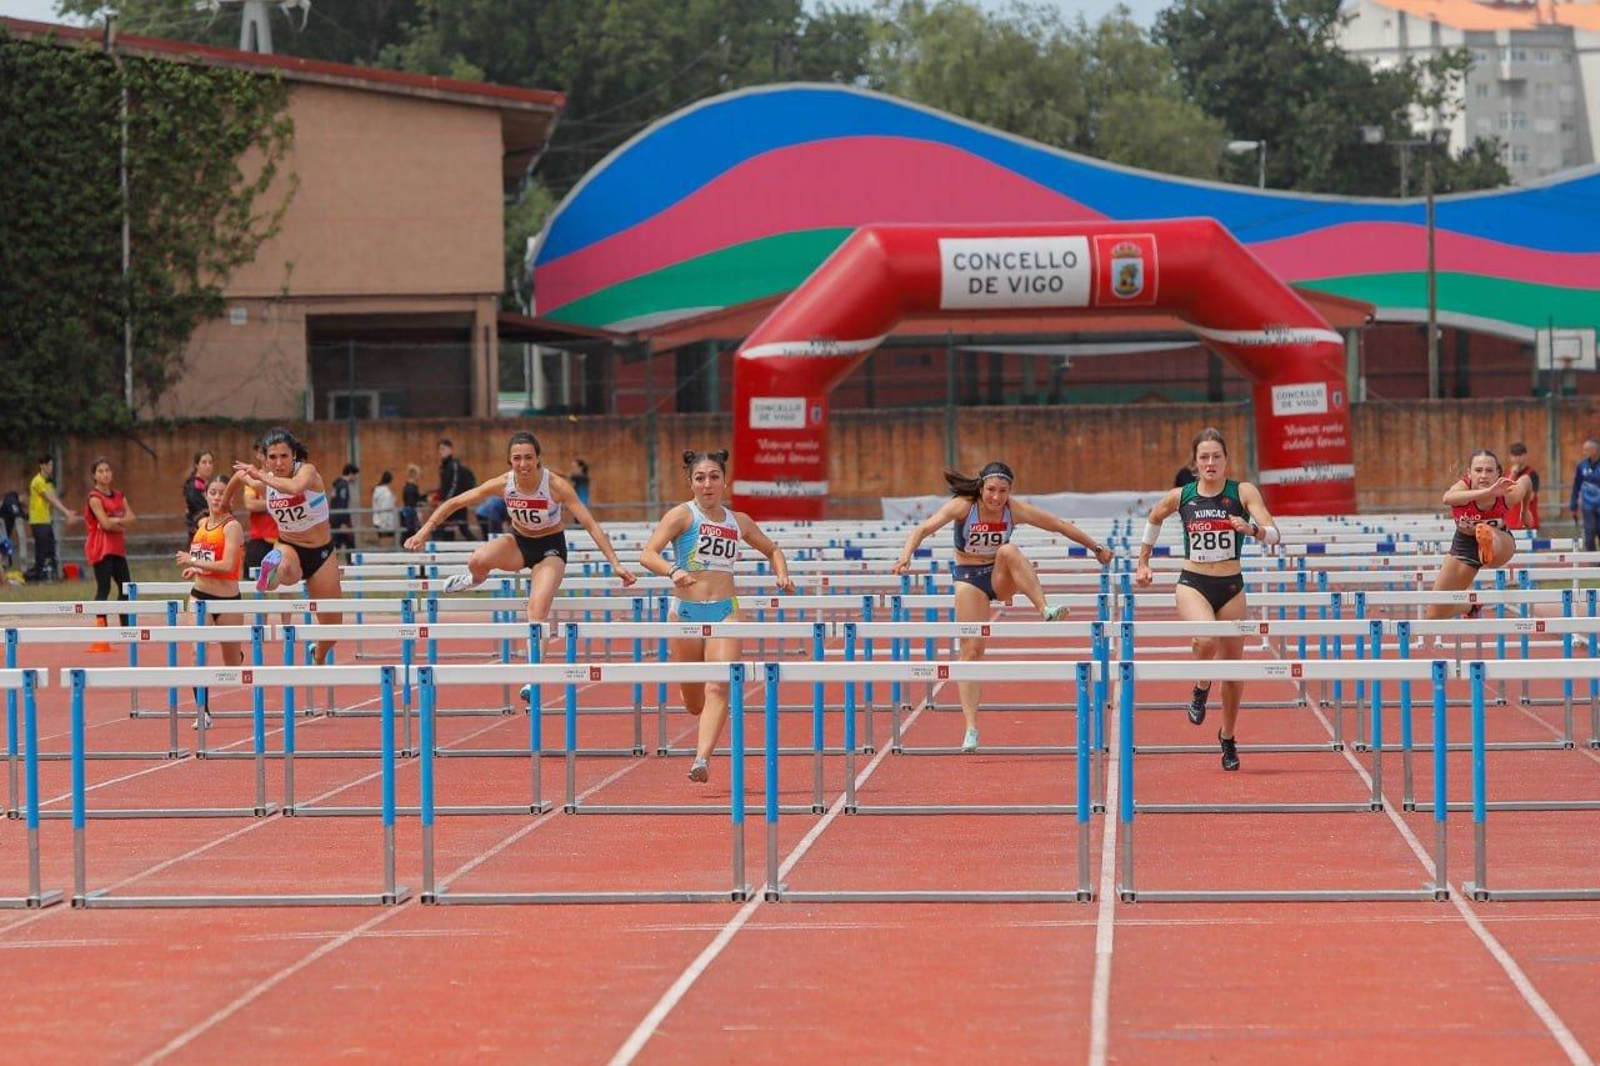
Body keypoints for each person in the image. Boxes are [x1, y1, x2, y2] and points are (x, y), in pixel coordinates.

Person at [890, 461, 1114, 753]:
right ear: (981, 488)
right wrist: (906, 555)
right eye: (991, 490)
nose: (996, 498)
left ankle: (1045, 608)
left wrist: (1096, 548)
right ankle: (971, 727)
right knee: (971, 652)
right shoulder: (963, 506)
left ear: (1010, 491)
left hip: (999, 577)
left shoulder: (1014, 510)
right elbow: (924, 527)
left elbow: (1059, 526)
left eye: (1003, 491)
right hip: (969, 578)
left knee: (1008, 550)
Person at [405, 430, 636, 654]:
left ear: (537, 459)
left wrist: (615, 563)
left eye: (528, 457)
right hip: (519, 542)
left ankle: (532, 679)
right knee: (477, 559)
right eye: (517, 458)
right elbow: (455, 502)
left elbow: (591, 525)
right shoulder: (504, 484)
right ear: (509, 460)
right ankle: (473, 580)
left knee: (536, 612)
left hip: (550, 549)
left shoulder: (556, 486)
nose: (523, 464)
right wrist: (424, 531)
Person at [640, 450, 793, 783]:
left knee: (718, 689)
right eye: (699, 478)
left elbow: (772, 549)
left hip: (726, 612)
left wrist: (781, 574)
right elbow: (647, 554)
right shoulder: (682, 516)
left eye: (713, 477)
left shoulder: (739, 522)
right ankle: (700, 710)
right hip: (686, 614)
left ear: (726, 482)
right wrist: (673, 570)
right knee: (694, 702)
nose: (707, 484)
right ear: (691, 483)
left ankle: (701, 759)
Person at [1134, 428, 1280, 772]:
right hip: (1193, 581)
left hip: (1231, 587)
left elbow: (1274, 533)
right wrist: (1143, 561)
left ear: (1226, 460)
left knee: (1232, 672)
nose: (1211, 463)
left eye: (1216, 456)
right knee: (1205, 638)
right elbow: (1153, 518)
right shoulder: (1181, 496)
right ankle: (1201, 686)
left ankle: (1227, 736)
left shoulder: (1242, 492)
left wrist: (1253, 530)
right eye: (1204, 457)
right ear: (1195, 463)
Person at [227, 427, 344, 665]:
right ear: (265, 458)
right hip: (289, 545)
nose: (278, 463)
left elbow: (294, 488)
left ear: (294, 456)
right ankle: (273, 571)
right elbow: (239, 476)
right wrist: (225, 504)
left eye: (283, 456)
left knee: (333, 628)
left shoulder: (307, 472)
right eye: (272, 457)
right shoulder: (264, 480)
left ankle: (318, 654)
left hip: (321, 553)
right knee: (287, 569)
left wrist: (262, 477)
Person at [1418, 450, 1527, 637]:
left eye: (1489, 470)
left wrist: (1524, 512)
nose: (1483, 475)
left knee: (1487, 534)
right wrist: (1488, 491)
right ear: (1470, 473)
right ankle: (1471, 606)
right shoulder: (1462, 487)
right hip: (1465, 545)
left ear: (1498, 474)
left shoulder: (1508, 493)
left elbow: (1527, 482)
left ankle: (1488, 544)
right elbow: (1446, 498)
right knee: (1434, 615)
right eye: (1478, 470)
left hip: (1500, 540)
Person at [176, 474, 245, 728]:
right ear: (206, 495)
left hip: (227, 600)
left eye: (222, 492)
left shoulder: (232, 527)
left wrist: (193, 562)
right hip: (199, 596)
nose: (217, 497)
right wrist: (196, 570)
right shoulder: (203, 524)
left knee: (232, 667)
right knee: (197, 653)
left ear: (230, 498)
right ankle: (202, 711)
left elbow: (227, 564)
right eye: (213, 492)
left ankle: (237, 653)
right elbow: (205, 557)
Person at [84, 458, 135, 625]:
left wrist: (113, 521)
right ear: (94, 475)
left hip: (117, 547)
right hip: (101, 548)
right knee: (104, 588)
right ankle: (101, 629)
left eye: (107, 470)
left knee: (126, 587)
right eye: (100, 471)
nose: (105, 474)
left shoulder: (119, 495)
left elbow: (132, 519)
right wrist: (119, 522)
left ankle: (125, 627)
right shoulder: (94, 497)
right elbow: (104, 524)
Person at [27, 455, 77, 581]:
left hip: (46, 520)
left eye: (51, 465)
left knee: (51, 549)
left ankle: (51, 575)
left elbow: (54, 498)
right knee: (41, 550)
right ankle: (38, 577)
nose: (50, 468)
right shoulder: (37, 481)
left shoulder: (48, 482)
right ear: (41, 465)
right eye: (48, 465)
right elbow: (51, 499)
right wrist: (66, 512)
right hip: (38, 521)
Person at [240, 441, 279, 578]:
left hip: (283, 540)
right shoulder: (253, 478)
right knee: (258, 588)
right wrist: (278, 503)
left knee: (286, 587)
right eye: (266, 453)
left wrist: (264, 503)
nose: (270, 458)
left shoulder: (282, 477)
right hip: (260, 539)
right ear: (258, 455)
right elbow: (250, 504)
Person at [434, 439, 476, 541]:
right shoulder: (443, 467)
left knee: (441, 525)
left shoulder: (454, 465)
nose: (441, 451)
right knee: (459, 528)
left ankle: (479, 548)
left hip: (456, 503)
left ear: (451, 450)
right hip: (452, 503)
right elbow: (445, 486)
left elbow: (454, 484)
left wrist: (446, 501)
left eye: (443, 449)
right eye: (440, 449)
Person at [1569, 439, 1600, 551]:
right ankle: (1593, 563)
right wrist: (1573, 505)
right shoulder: (1582, 466)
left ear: (1595, 450)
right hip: (1588, 507)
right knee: (1590, 534)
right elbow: (1576, 486)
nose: (1584, 452)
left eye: (1586, 450)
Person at [1506, 441, 1540, 535]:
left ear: (1525, 456)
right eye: (1514, 455)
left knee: (1530, 548)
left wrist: (1514, 495)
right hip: (1511, 523)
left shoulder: (1532, 474)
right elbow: (1504, 493)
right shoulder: (1507, 474)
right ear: (1510, 457)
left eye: (1520, 455)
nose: (1517, 458)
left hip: (1528, 523)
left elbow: (1531, 496)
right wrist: (1513, 474)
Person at [182, 451, 214, 537]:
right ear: (196, 465)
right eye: (204, 462)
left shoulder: (208, 484)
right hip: (198, 533)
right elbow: (201, 508)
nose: (208, 466)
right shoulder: (194, 486)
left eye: (210, 462)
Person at [329, 463, 358, 554]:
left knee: (340, 543)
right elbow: (341, 505)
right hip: (341, 520)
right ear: (350, 473)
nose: (356, 478)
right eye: (355, 475)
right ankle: (351, 564)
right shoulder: (343, 486)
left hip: (336, 519)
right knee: (349, 543)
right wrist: (342, 523)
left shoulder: (338, 484)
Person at [371, 471, 398, 546]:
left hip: (377, 521)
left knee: (382, 546)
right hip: (386, 524)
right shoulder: (387, 494)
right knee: (387, 548)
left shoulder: (377, 491)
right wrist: (385, 524)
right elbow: (385, 509)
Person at [400, 464, 423, 541]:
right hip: (410, 516)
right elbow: (411, 503)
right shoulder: (411, 488)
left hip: (410, 514)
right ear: (415, 475)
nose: (420, 477)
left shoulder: (410, 487)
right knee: (411, 535)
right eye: (419, 475)